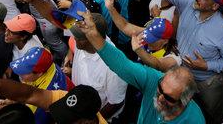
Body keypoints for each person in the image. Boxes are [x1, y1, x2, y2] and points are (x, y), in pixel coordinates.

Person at [75, 9, 205, 123]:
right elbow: (122, 65)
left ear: (185, 100)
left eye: (169, 98)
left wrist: (139, 51)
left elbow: (157, 63)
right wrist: (93, 34)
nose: (159, 98)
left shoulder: (194, 120)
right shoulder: (153, 80)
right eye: (160, 89)